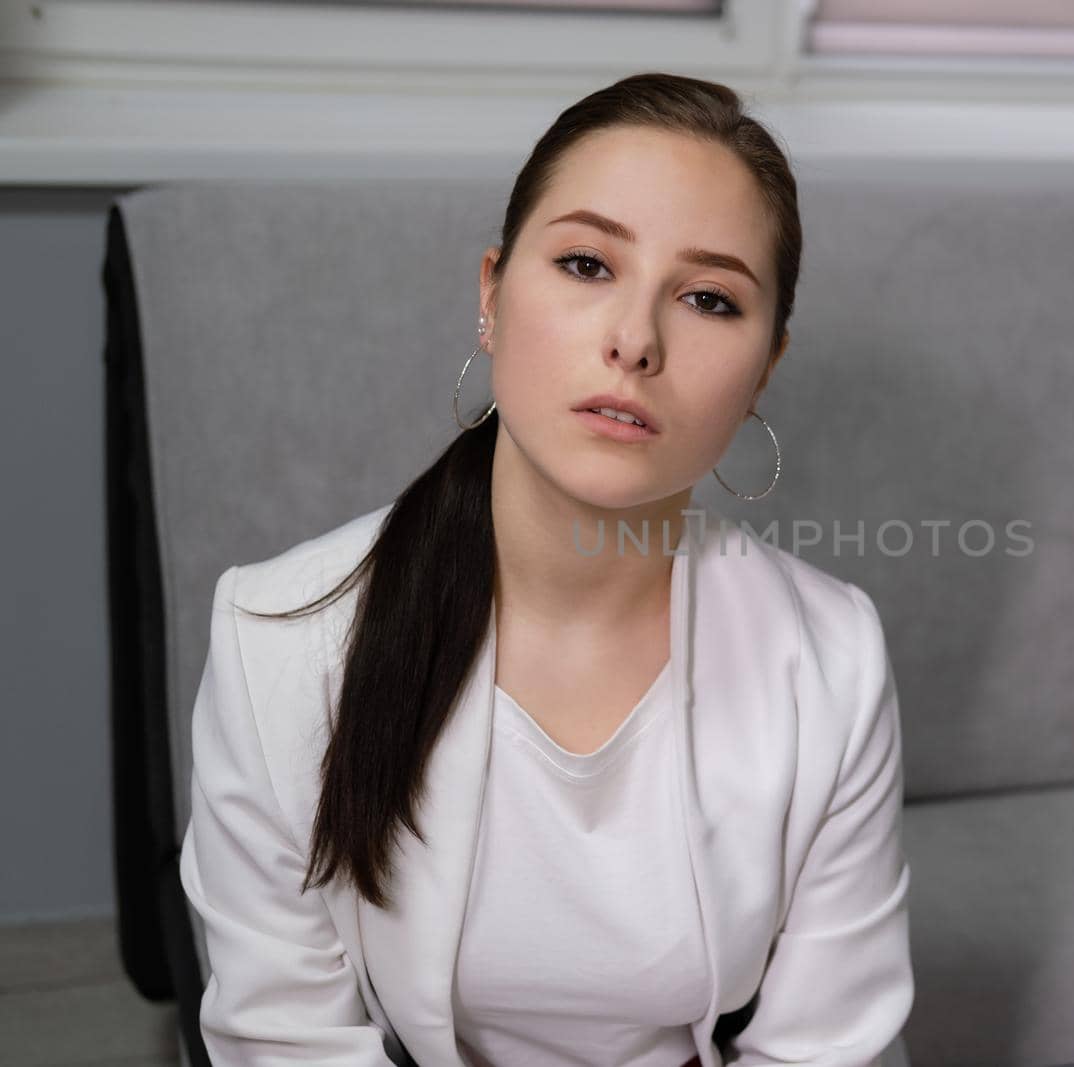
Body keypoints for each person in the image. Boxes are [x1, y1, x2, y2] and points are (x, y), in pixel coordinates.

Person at [178, 71, 914, 1067]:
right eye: (584, 263)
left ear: (763, 371)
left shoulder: (831, 657)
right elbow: (283, 1037)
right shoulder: (276, 633)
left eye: (707, 298)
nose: (635, 340)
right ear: (491, 294)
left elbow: (831, 1048)